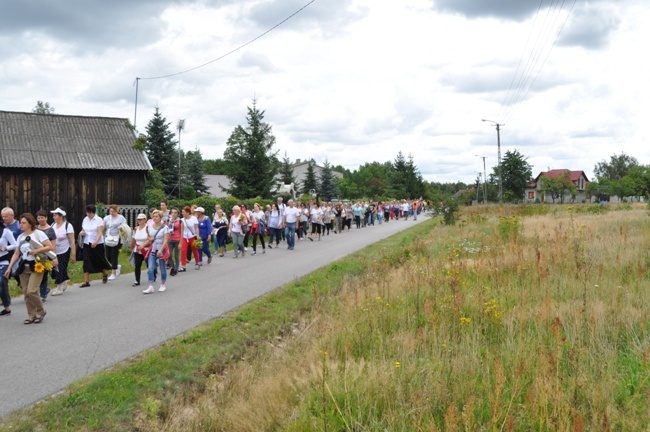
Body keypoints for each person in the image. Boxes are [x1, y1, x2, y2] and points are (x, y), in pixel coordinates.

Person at [4, 213, 53, 324]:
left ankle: (41, 311)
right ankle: (31, 315)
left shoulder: (38, 234)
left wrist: (37, 251)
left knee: (32, 291)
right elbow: (16, 253)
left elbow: (49, 246)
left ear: (30, 223)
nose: (21, 225)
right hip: (24, 267)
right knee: (26, 293)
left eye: (23, 223)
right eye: (20, 223)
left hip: (37, 266)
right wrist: (9, 268)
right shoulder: (21, 237)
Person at [79, 204, 111, 287]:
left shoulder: (98, 220)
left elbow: (100, 232)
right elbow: (83, 229)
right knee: (86, 261)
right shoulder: (85, 219)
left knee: (98, 260)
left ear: (93, 212)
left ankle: (104, 273)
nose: (88, 215)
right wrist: (82, 233)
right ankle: (86, 281)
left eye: (90, 213)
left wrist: (96, 241)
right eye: (87, 213)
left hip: (97, 243)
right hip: (87, 243)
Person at [142, 210, 169, 294]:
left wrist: (161, 250)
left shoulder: (165, 227)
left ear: (160, 217)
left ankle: (162, 284)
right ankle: (151, 286)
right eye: (153, 216)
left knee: (162, 268)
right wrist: (150, 239)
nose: (154, 218)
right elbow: (149, 237)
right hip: (153, 249)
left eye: (156, 216)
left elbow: (165, 240)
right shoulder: (150, 226)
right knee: (150, 268)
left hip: (162, 248)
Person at [50, 207, 75, 296]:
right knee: (54, 268)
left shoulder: (68, 226)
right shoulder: (52, 225)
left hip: (65, 250)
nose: (53, 217)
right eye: (53, 215)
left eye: (55, 215)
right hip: (54, 250)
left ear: (61, 216)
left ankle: (59, 288)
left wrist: (73, 254)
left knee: (60, 268)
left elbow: (72, 241)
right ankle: (65, 279)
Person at [35, 209, 57, 302]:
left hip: (46, 255)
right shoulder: (35, 228)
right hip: (36, 254)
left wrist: (54, 257)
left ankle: (43, 294)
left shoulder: (50, 230)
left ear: (46, 218)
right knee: (36, 273)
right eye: (38, 218)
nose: (40, 219)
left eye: (42, 217)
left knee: (44, 274)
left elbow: (53, 244)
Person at [103, 204, 127, 281]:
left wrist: (121, 227)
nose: (111, 212)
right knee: (107, 256)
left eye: (113, 211)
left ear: (116, 211)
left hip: (117, 239)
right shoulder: (107, 218)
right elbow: (103, 226)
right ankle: (116, 266)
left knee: (114, 255)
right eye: (110, 211)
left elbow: (125, 226)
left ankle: (113, 273)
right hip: (108, 238)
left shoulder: (121, 218)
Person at [0, 222, 17, 316]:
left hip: (3, 262)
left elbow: (15, 244)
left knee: (1, 282)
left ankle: (6, 306)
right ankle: (7, 308)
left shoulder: (5, 231)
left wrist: (4, 248)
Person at [130, 213, 149, 287]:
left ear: (145, 220)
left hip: (146, 249)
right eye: (138, 219)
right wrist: (131, 246)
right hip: (137, 249)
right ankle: (137, 280)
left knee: (149, 265)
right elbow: (134, 238)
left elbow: (150, 238)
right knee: (137, 265)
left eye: (141, 219)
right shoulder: (136, 228)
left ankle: (153, 274)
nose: (139, 221)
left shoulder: (148, 228)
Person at [180, 206, 200, 271]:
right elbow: (181, 230)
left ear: (188, 212)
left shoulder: (194, 218)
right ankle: (183, 266)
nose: (182, 213)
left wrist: (197, 235)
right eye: (182, 212)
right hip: (185, 237)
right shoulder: (182, 220)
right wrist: (181, 238)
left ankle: (197, 262)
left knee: (194, 250)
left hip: (192, 236)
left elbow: (196, 227)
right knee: (183, 250)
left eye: (184, 212)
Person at [166, 208, 182, 275]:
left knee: (176, 255)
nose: (173, 214)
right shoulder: (168, 220)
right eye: (172, 212)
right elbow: (166, 231)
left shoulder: (180, 221)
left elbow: (182, 232)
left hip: (177, 239)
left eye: (175, 213)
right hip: (170, 239)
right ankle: (173, 267)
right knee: (168, 255)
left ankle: (176, 269)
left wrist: (180, 243)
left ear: (177, 214)